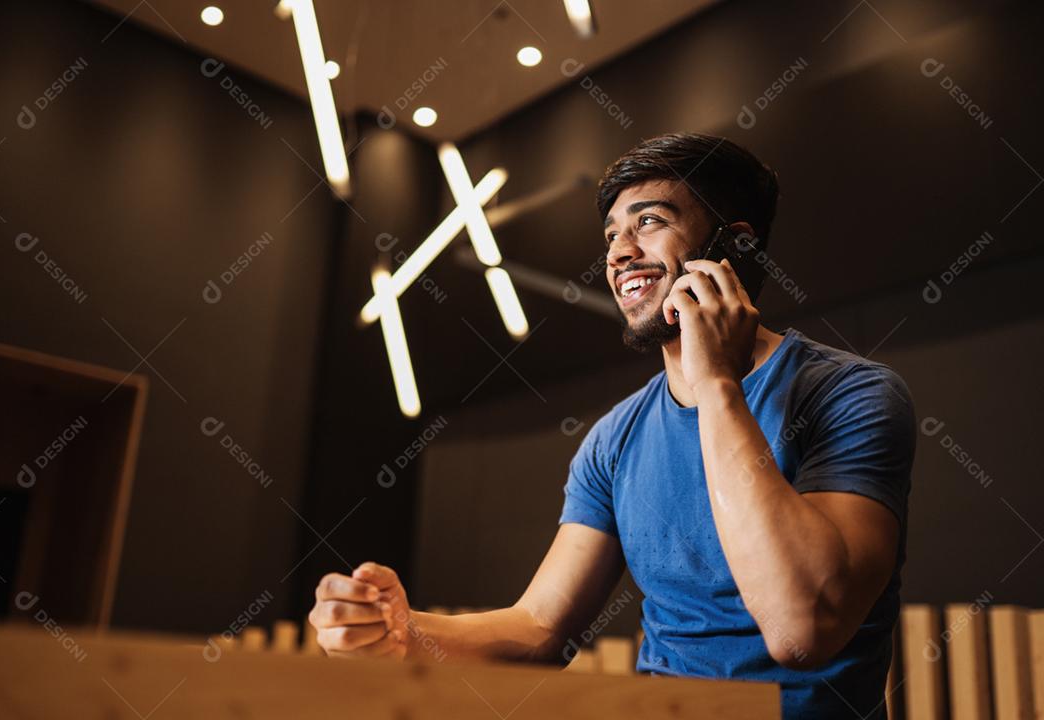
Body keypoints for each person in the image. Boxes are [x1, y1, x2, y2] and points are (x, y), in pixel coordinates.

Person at [308, 133, 915, 719]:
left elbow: (801, 629)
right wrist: (405, 632)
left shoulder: (850, 394)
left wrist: (716, 385)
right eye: (611, 236)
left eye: (648, 222)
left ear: (735, 247)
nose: (619, 253)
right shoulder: (614, 438)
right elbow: (541, 629)